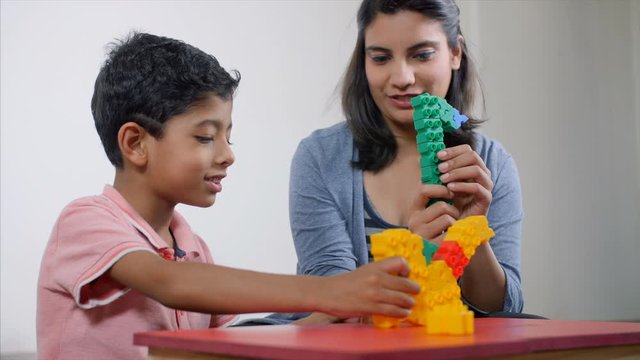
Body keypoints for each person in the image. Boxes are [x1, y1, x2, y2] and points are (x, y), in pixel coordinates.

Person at [36, 32, 421, 359]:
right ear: (135, 143)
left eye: (227, 135)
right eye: (205, 136)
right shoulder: (85, 222)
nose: (227, 154)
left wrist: (350, 311)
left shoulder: (193, 248)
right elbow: (171, 283)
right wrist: (331, 292)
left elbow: (228, 344)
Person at [289, 0, 524, 325]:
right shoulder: (320, 157)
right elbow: (333, 304)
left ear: (456, 53)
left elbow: (502, 312)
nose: (401, 77)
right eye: (381, 57)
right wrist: (414, 256)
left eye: (422, 54)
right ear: (364, 61)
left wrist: (472, 233)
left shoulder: (491, 163)